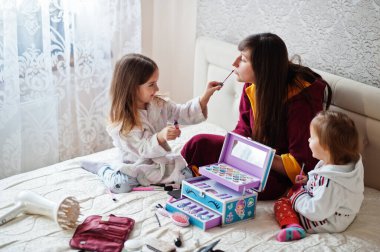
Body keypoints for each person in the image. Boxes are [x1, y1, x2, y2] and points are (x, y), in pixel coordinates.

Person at [181, 33, 332, 200]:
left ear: (263, 67)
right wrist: (233, 153)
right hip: (253, 155)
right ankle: (176, 176)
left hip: (277, 171)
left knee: (255, 185)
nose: (234, 63)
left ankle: (212, 179)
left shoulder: (301, 102)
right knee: (199, 143)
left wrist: (258, 155)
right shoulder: (253, 85)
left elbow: (301, 165)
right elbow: (243, 128)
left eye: (243, 60)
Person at [81, 53, 221, 193]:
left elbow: (182, 113)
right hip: (134, 163)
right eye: (151, 84)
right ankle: (104, 169)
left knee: (187, 176)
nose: (157, 89)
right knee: (121, 186)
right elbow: (142, 149)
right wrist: (161, 136)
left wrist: (205, 97)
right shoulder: (124, 121)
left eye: (156, 83)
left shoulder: (158, 104)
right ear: (133, 88)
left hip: (156, 162)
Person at [273, 110, 364, 242]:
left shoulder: (331, 183)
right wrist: (308, 181)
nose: (308, 139)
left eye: (312, 137)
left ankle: (294, 226)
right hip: (335, 209)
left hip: (324, 220)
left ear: (326, 147)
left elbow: (315, 211)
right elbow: (323, 185)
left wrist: (298, 195)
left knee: (282, 203)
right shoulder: (341, 164)